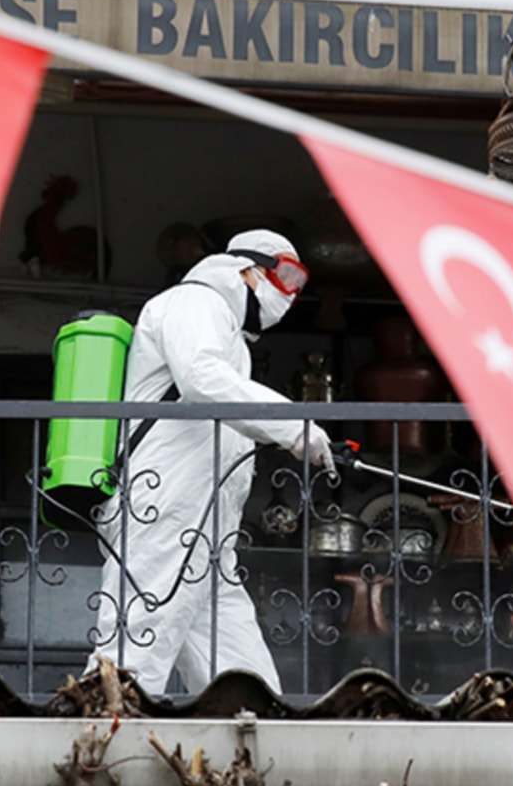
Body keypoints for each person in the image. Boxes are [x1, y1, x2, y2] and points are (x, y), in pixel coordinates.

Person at [86, 228, 334, 695]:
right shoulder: (195, 302)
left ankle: (250, 753)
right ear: (244, 268)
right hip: (163, 510)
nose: (290, 294)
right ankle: (96, 751)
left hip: (207, 534)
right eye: (284, 274)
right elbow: (201, 379)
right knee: (128, 663)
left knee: (245, 687)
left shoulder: (230, 337)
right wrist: (293, 426)